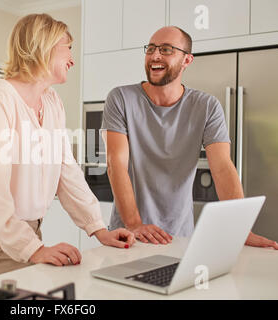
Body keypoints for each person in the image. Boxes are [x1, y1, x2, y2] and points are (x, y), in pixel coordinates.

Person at [0, 13, 135, 283]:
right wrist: (35, 249)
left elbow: (67, 170)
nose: (73, 59)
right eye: (69, 47)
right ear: (45, 45)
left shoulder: (52, 102)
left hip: (26, 232)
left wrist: (99, 229)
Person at [101, 26, 278, 249]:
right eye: (151, 49)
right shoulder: (120, 99)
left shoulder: (207, 106)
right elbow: (115, 163)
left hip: (180, 237)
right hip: (128, 235)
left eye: (166, 49)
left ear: (187, 60)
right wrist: (135, 224)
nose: (155, 55)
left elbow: (222, 167)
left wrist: (239, 228)